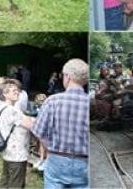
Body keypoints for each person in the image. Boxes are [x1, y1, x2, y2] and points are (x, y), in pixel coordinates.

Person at [32, 59, 89, 188]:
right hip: (85, 163)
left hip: (57, 160)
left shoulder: (52, 101)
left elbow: (39, 133)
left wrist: (50, 150)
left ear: (68, 77)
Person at [0, 79, 34, 189]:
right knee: (16, 184)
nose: (17, 92)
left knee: (6, 180)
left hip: (8, 152)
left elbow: (25, 119)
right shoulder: (13, 111)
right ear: (5, 94)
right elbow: (31, 125)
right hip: (17, 154)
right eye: (14, 91)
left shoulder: (3, 107)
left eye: (18, 90)